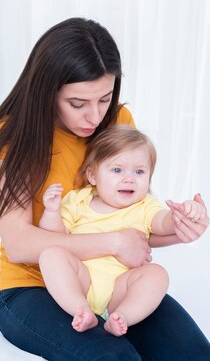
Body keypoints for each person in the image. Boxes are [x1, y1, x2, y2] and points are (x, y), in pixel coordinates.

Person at [0, 17, 210, 360]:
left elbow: (134, 218)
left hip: (113, 282)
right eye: (78, 103)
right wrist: (113, 242)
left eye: (104, 98)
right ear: (47, 91)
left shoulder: (118, 120)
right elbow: (19, 244)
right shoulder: (13, 136)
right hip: (32, 285)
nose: (95, 116)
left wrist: (180, 229)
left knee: (193, 354)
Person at [39, 125, 206, 337]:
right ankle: (80, 309)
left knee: (157, 274)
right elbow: (54, 238)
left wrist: (185, 214)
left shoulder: (145, 206)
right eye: (117, 170)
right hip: (81, 279)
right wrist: (52, 211)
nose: (129, 178)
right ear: (92, 176)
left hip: (120, 288)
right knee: (51, 255)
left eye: (139, 171)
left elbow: (164, 222)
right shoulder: (78, 200)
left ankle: (123, 316)